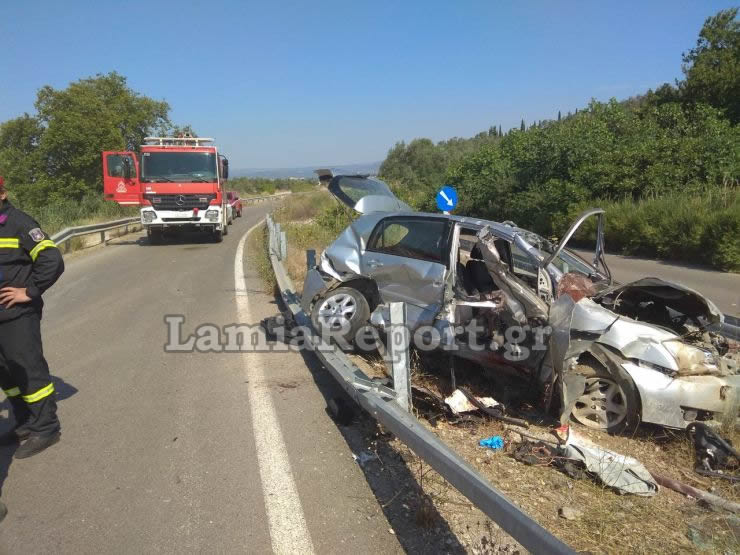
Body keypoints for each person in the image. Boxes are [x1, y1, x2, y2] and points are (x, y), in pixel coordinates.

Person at [0, 176, 65, 458]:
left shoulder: (20, 223)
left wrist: (29, 291)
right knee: (6, 373)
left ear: (2, 194)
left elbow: (52, 259)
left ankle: (46, 428)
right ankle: (25, 421)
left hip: (18, 315)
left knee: (28, 369)